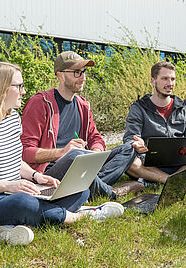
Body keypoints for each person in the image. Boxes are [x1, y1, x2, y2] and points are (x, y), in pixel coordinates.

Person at [0, 61, 124, 246]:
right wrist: (9, 186)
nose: (23, 92)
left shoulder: (12, 118)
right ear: (0, 88)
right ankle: (83, 215)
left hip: (14, 194)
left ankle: (11, 229)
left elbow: (14, 161)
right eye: (19, 86)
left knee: (80, 191)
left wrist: (37, 176)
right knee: (23, 204)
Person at [21, 51, 144, 200]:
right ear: (60, 75)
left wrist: (94, 154)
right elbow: (26, 152)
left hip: (81, 164)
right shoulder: (40, 103)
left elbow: (95, 137)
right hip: (49, 172)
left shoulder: (82, 105)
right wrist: (63, 152)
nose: (83, 78)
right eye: (77, 73)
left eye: (84, 72)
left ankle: (91, 184)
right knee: (75, 156)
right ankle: (110, 192)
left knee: (129, 148)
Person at [123, 61, 186, 189]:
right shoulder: (138, 108)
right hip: (148, 164)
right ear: (153, 81)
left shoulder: (184, 108)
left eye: (173, 79)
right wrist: (136, 144)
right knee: (127, 160)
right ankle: (178, 181)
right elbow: (130, 138)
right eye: (165, 79)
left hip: (181, 163)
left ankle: (154, 181)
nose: (170, 83)